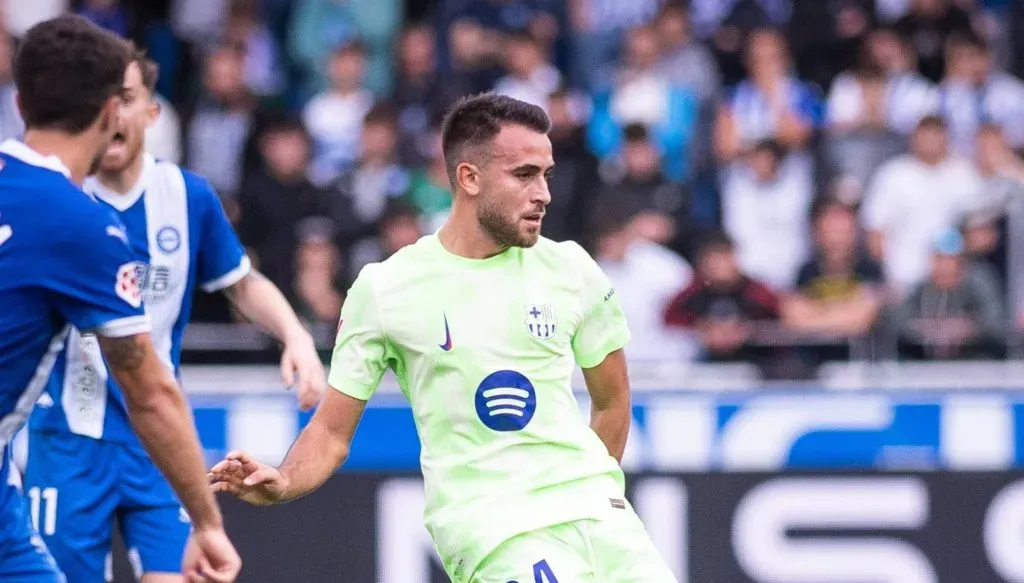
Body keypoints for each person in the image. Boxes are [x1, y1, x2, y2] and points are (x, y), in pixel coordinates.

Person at [209, 93, 678, 583]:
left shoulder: (572, 268)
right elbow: (330, 433)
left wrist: (590, 491)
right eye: (524, 175)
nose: (544, 193)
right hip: (497, 533)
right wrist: (283, 481)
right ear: (468, 178)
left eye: (546, 174)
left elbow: (612, 401)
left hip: (603, 519)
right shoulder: (387, 288)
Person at [23, 48, 324, 583]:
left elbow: (241, 281)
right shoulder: (60, 199)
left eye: (128, 99)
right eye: (104, 102)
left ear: (152, 112)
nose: (114, 114)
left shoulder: (187, 196)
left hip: (159, 443)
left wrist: (295, 336)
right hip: (67, 441)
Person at [0, 15, 239, 583]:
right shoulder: (84, 228)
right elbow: (151, 391)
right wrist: (206, 523)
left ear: (21, 101)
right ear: (111, 113)